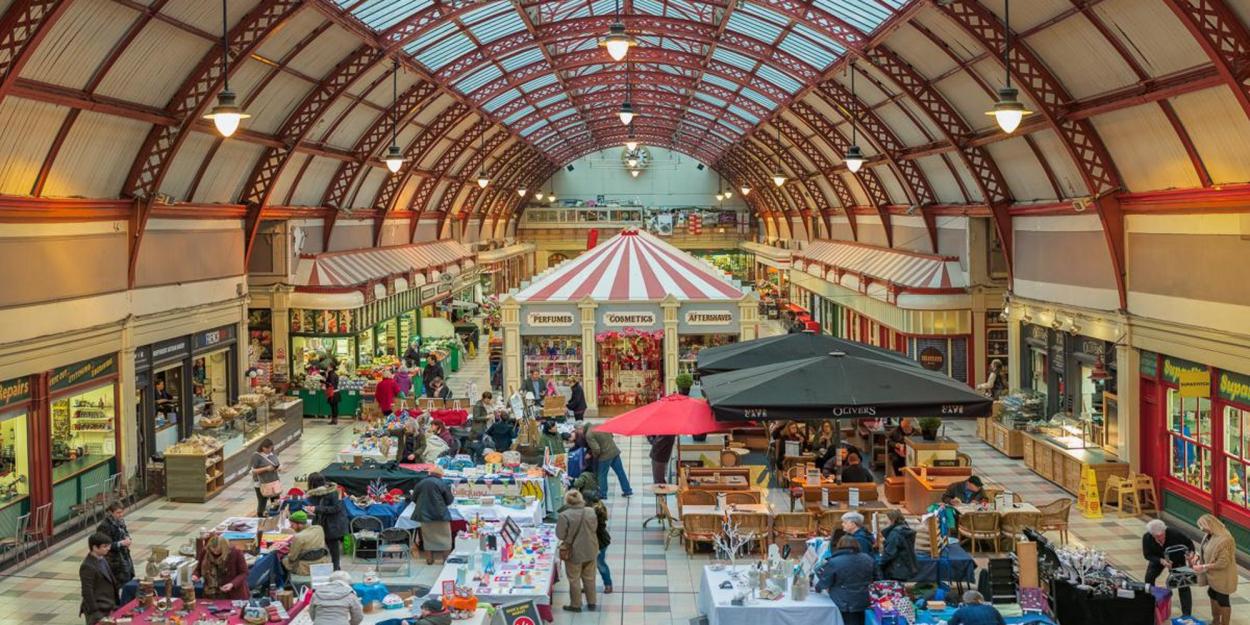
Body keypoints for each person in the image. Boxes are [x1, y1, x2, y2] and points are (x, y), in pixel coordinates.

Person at [814, 536, 874, 625]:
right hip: (864, 598)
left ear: (839, 545)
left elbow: (825, 581)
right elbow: (876, 577)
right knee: (860, 620)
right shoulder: (868, 558)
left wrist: (817, 588)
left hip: (844, 601)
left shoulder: (834, 561)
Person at [557, 490, 600, 613]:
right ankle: (592, 602)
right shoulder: (590, 511)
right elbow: (594, 528)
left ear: (567, 501)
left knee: (574, 579)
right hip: (591, 549)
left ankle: (576, 605)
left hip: (573, 552)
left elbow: (560, 535)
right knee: (590, 577)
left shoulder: (564, 515)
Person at [1190, 513, 1237, 625]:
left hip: (1223, 577)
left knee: (1223, 600)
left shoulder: (1225, 539)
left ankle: (1224, 623)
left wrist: (1203, 566)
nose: (1202, 529)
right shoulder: (1210, 534)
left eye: (1203, 527)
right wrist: (1197, 556)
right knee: (1212, 593)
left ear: (1210, 525)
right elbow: (1207, 550)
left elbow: (1223, 563)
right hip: (1213, 576)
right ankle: (1216, 620)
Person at [1142, 519, 1194, 617]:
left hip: (1176, 558)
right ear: (1152, 534)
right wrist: (1161, 561)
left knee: (1183, 583)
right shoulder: (1147, 538)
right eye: (1157, 537)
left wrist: (1190, 554)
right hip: (1158, 558)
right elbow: (1147, 555)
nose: (1161, 538)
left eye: (1162, 535)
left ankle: (1186, 614)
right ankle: (1151, 605)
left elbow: (1189, 544)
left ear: (1165, 530)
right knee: (1149, 578)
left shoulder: (1175, 533)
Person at [305, 472, 349, 571]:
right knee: (329, 546)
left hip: (333, 524)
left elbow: (336, 508)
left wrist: (316, 509)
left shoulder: (332, 492)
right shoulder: (316, 493)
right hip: (323, 522)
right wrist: (312, 508)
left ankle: (336, 567)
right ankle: (333, 567)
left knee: (333, 546)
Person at [410, 474, 454, 565]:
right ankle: (445, 560)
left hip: (424, 514)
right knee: (445, 537)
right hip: (440, 514)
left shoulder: (421, 483)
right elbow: (449, 500)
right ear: (440, 475)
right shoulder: (442, 483)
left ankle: (429, 560)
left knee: (428, 538)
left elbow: (413, 498)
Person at [94, 503, 134, 593]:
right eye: (118, 513)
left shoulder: (120, 521)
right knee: (116, 585)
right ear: (111, 513)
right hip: (113, 561)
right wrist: (121, 543)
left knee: (127, 581)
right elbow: (103, 545)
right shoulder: (104, 526)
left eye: (122, 512)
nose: (121, 515)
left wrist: (128, 539)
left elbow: (125, 532)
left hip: (124, 557)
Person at [194, 535, 249, 600]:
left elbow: (244, 573)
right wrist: (196, 575)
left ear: (224, 548)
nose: (215, 553)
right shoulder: (205, 552)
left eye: (218, 551)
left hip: (232, 594)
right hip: (210, 594)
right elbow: (198, 569)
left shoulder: (236, 553)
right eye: (213, 551)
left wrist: (232, 584)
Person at [79, 532, 117, 625]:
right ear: (95, 547)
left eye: (108, 546)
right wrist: (96, 613)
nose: (108, 548)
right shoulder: (88, 566)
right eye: (105, 546)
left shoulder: (102, 558)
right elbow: (87, 592)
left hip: (108, 605)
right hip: (98, 610)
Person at [587, 424, 633, 499]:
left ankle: (603, 493)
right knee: (620, 472)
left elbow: (596, 449)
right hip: (614, 452)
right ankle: (627, 490)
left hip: (604, 456)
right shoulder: (601, 426)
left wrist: (594, 456)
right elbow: (611, 435)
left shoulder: (589, 434)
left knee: (602, 475)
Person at [283, 511, 331, 579]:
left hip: (305, 569)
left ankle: (285, 582)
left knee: (283, 559)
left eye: (292, 525)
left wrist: (288, 553)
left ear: (299, 524)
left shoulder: (298, 537)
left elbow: (292, 558)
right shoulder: (319, 528)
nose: (291, 527)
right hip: (321, 564)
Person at [877, 509, 919, 581]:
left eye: (887, 519)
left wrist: (879, 564)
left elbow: (889, 552)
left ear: (892, 520)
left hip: (895, 569)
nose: (886, 521)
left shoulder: (895, 533)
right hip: (904, 567)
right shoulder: (905, 529)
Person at [587, 491, 613, 594]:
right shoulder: (598, 507)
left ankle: (608, 584)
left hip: (599, 542)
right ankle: (589, 585)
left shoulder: (595, 512)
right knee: (590, 565)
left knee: (600, 563)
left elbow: (592, 528)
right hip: (599, 541)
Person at [251, 437, 281, 517]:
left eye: (271, 448)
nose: (269, 450)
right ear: (262, 447)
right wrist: (266, 469)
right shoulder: (256, 456)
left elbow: (277, 463)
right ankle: (261, 519)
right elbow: (252, 471)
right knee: (262, 502)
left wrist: (278, 468)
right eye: (267, 448)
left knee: (276, 502)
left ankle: (274, 517)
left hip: (274, 482)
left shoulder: (273, 454)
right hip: (262, 483)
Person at [325, 361, 342, 425]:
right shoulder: (334, 374)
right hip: (336, 392)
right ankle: (334, 420)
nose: (327, 367)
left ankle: (334, 420)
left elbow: (331, 384)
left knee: (333, 407)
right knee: (335, 407)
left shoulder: (331, 374)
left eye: (328, 366)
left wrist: (324, 382)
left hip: (333, 393)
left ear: (331, 367)